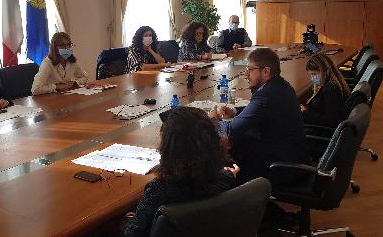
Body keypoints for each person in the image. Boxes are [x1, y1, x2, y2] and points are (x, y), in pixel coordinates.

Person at [123, 106, 239, 237]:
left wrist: (128, 218)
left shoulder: (158, 190)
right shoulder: (224, 179)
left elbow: (133, 234)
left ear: (168, 148)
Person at [209, 48, 309, 186]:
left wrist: (213, 120)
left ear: (266, 71)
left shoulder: (266, 95)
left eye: (250, 69)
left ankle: (232, 198)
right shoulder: (281, 85)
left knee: (221, 149)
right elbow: (260, 109)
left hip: (278, 167)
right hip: (292, 156)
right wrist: (235, 111)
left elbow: (231, 129)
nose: (245, 74)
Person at [301, 54, 350, 128]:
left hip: (318, 131)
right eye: (310, 75)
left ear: (325, 72)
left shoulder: (331, 90)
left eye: (314, 74)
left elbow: (331, 121)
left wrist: (305, 113)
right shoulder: (333, 83)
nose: (312, 78)